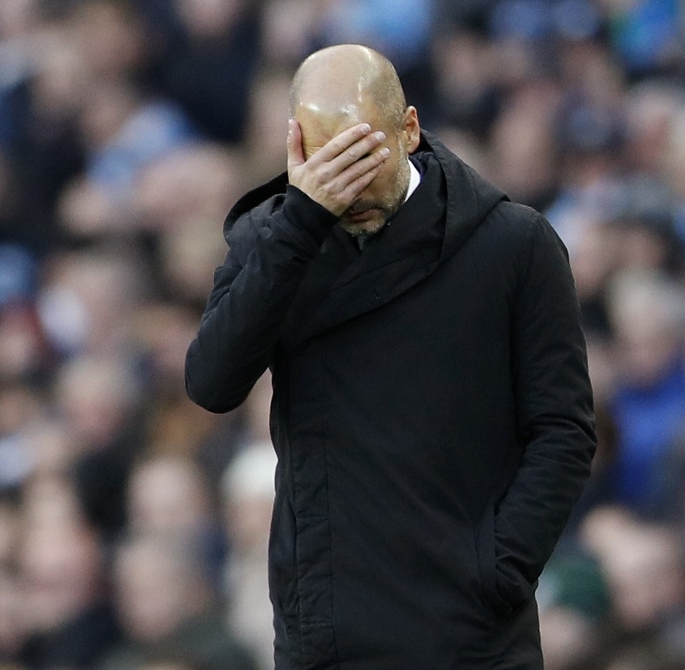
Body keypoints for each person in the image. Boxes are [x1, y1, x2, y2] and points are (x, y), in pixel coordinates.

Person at [185, 44, 596, 668]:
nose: (346, 189)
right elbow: (211, 383)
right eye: (330, 162)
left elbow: (563, 430)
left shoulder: (513, 244)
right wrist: (299, 224)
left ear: (409, 129)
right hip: (327, 630)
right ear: (296, 146)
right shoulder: (273, 241)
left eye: (363, 157)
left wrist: (497, 571)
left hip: (469, 634)